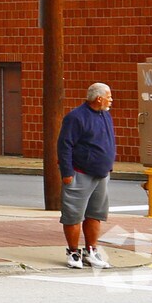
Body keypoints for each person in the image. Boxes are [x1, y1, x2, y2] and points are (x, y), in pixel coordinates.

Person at [58, 82, 118, 269]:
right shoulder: (76, 117)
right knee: (73, 215)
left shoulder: (105, 115)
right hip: (79, 173)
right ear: (98, 98)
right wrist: (67, 173)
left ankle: (91, 251)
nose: (111, 99)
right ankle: (73, 253)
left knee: (95, 214)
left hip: (101, 174)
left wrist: (108, 165)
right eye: (109, 96)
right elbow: (64, 145)